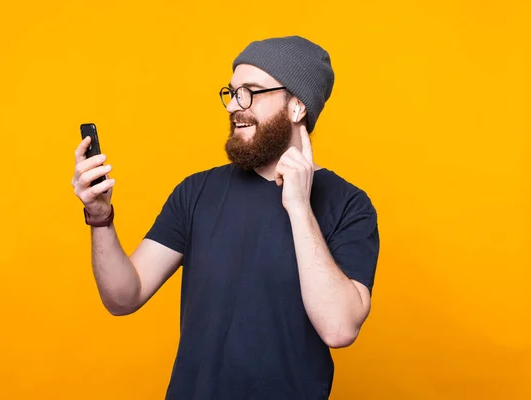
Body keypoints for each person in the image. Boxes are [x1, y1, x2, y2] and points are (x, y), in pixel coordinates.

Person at [71, 35, 380, 400]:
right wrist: (100, 217)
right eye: (231, 92)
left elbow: (340, 329)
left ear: (297, 106)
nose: (234, 105)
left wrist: (299, 207)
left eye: (250, 92)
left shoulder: (349, 205)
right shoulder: (197, 192)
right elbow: (124, 297)